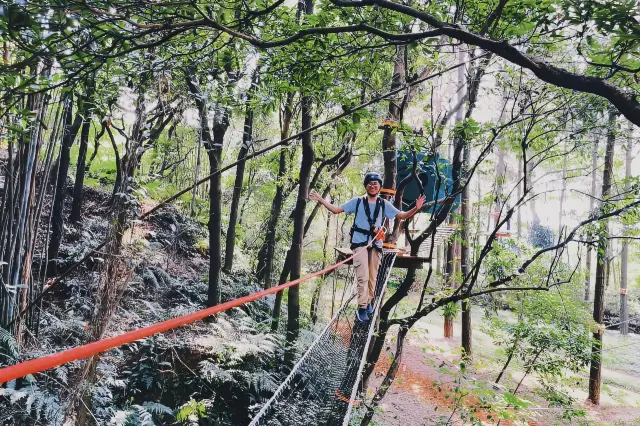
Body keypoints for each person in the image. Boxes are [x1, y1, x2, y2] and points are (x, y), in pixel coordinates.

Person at [309, 172, 425, 321]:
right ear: (366, 186)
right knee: (363, 276)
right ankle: (362, 307)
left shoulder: (383, 204)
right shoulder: (357, 201)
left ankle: (369, 301)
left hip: (376, 244)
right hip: (359, 243)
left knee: (372, 277)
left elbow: (401, 216)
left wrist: (416, 208)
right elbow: (336, 210)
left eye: (375, 184)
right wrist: (320, 199)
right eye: (370, 183)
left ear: (379, 187)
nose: (372, 186)